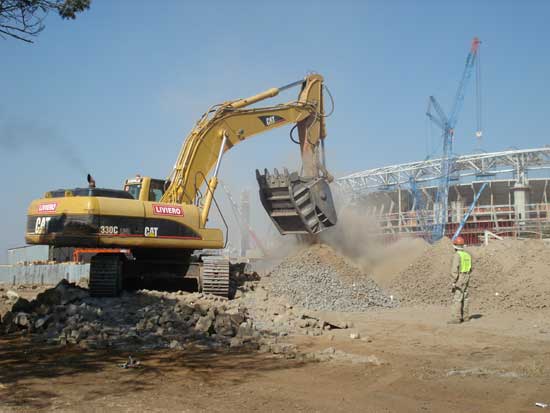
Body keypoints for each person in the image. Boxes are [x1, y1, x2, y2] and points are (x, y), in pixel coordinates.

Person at [448, 236, 472, 324]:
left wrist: (454, 281)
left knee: (457, 298)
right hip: (467, 276)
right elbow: (471, 268)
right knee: (465, 298)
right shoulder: (467, 255)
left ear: (455, 246)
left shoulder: (457, 255)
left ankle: (456, 318)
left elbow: (454, 269)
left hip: (460, 277)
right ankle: (465, 317)